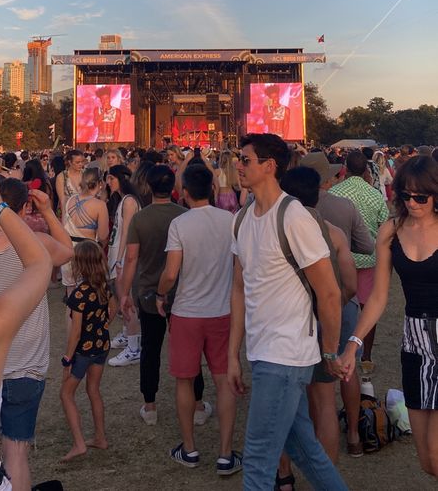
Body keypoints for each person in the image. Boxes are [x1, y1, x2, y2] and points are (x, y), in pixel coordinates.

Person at [228, 133, 348, 491]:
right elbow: (238, 288)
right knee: (305, 450)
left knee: (258, 461)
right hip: (264, 351)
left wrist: (329, 350)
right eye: (238, 158)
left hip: (287, 352)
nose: (238, 165)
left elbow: (329, 292)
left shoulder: (293, 216)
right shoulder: (242, 218)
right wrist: (233, 354)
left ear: (270, 166)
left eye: (245, 159)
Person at [0, 178, 73, 491]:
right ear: (25, 205)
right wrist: (49, 212)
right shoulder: (36, 244)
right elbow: (66, 251)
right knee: (16, 455)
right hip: (24, 366)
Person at [340, 155, 438, 478]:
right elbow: (379, 296)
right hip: (414, 345)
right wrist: (354, 344)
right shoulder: (390, 231)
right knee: (426, 460)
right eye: (405, 196)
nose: (412, 203)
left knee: (437, 452)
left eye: (420, 196)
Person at [157, 164, 242, 475]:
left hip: (187, 313)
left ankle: (190, 449)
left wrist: (159, 294)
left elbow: (170, 273)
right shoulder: (230, 221)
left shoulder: (180, 224)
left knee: (184, 379)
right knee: (224, 380)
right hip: (223, 312)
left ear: (186, 192)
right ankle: (225, 453)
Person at [276, 167, 357, 486]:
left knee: (285, 405)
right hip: (324, 325)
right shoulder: (333, 231)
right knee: (324, 401)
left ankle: (283, 476)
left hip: (288, 327)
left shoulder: (277, 229)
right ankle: (326, 477)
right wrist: (330, 305)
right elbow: (349, 285)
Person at [118, 165, 209, 426]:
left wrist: (124, 293)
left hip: (147, 292)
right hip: (182, 291)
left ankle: (150, 405)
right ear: (174, 188)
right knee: (191, 349)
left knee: (150, 348)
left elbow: (132, 258)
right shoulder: (184, 215)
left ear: (148, 187)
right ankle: (199, 404)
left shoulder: (140, 219)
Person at [300, 150, 375, 461]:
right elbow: (367, 246)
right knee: (347, 367)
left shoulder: (290, 210)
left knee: (314, 382)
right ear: (327, 179)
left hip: (305, 303)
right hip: (343, 297)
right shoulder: (344, 206)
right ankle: (355, 436)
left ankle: (314, 440)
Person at [329, 150, 389, 370]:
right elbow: (384, 226)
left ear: (345, 167)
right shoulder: (374, 195)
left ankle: (333, 349)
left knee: (338, 306)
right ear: (366, 169)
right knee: (368, 308)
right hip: (368, 260)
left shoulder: (334, 192)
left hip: (340, 261)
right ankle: (366, 356)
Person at [60, 240, 117, 461]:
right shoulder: (103, 286)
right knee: (93, 390)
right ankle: (100, 437)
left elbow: (75, 334)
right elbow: (114, 308)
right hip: (101, 346)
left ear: (79, 265)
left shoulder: (78, 295)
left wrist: (67, 358)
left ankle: (79, 443)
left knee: (66, 394)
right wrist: (104, 325)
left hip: (83, 352)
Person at [106, 166, 142, 366]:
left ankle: (134, 346)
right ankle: (129, 335)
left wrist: (120, 260)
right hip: (117, 255)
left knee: (127, 303)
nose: (108, 182)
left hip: (123, 257)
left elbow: (127, 232)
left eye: (111, 178)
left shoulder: (128, 201)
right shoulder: (123, 200)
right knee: (123, 301)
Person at [60, 169, 109, 298]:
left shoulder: (69, 200)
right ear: (99, 183)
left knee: (71, 296)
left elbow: (63, 226)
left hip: (68, 251)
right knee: (91, 294)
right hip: (89, 254)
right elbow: (104, 236)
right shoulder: (100, 205)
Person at [55, 149, 85, 217]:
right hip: (67, 213)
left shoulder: (86, 174)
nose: (80, 164)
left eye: (82, 162)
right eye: (77, 162)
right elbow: (62, 200)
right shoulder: (62, 176)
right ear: (70, 162)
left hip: (85, 213)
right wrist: (64, 218)